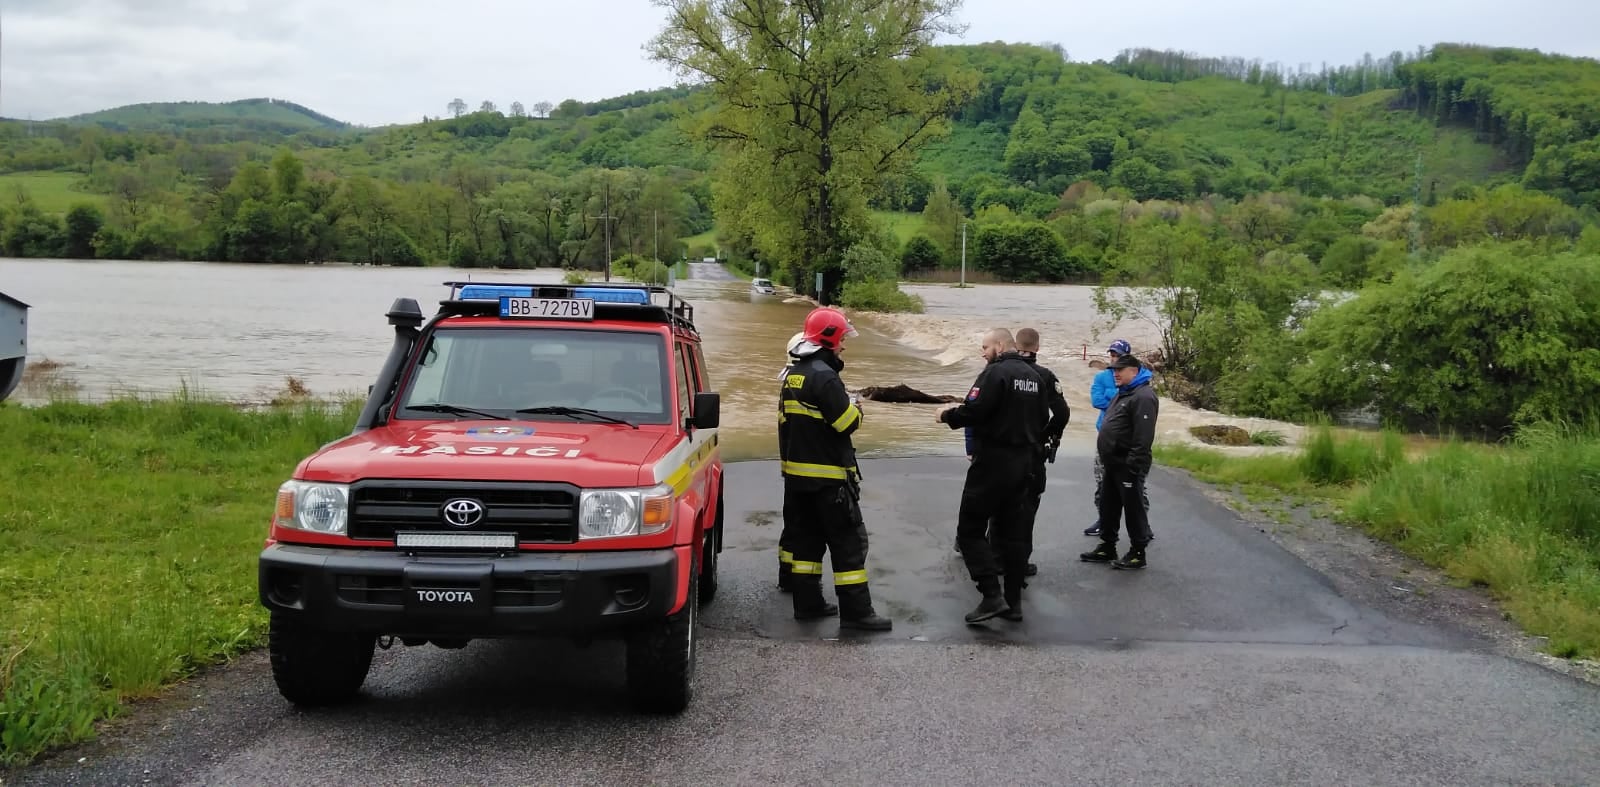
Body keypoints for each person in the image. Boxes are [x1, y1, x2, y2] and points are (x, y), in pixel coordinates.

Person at [777, 307, 893, 631]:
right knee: (848, 548)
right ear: (829, 338)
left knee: (806, 548)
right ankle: (857, 614)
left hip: (798, 482)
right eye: (842, 338)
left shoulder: (794, 374)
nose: (844, 345)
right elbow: (845, 423)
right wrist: (857, 408)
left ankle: (808, 605)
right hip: (829, 481)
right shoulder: (824, 376)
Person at [937, 328, 1047, 623]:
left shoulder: (994, 373)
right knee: (1013, 535)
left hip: (992, 463)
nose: (982, 352)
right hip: (1024, 464)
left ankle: (990, 595)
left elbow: (974, 412)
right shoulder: (1035, 378)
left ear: (1000, 345)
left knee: (969, 531)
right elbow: (1045, 420)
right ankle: (1014, 603)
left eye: (985, 346)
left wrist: (947, 415)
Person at [1080, 353, 1157, 570]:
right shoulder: (1124, 393)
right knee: (1108, 505)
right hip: (1112, 463)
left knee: (1133, 509)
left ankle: (1137, 552)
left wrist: (1133, 465)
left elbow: (1143, 437)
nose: (1115, 374)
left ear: (1133, 371)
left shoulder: (1144, 396)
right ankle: (1107, 546)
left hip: (1127, 464)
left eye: (1119, 370)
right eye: (1114, 370)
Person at [1085, 340, 1149, 538]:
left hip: (1126, 445)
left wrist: (1113, 393)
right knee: (1103, 484)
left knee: (1136, 488)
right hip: (1106, 442)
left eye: (1118, 355)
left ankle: (1142, 527)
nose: (1114, 360)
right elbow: (1097, 400)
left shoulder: (1138, 386)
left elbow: (1124, 400)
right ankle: (1103, 522)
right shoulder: (1103, 376)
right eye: (1112, 355)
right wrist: (1116, 393)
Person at [775, 331, 817, 594]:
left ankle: (787, 576)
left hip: (791, 467)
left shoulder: (789, 382)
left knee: (792, 525)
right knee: (802, 527)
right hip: (804, 469)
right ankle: (798, 583)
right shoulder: (805, 382)